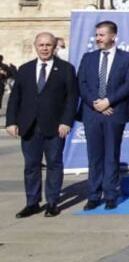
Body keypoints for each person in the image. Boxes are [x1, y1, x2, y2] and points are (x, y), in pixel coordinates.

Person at [6, 33, 78, 218]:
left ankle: (52, 202)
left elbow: (71, 98)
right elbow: (15, 98)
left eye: (48, 45)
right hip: (29, 127)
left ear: (54, 47)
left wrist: (66, 121)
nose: (45, 48)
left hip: (55, 127)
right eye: (41, 45)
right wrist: (11, 122)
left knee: (54, 164)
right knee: (31, 166)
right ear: (35, 46)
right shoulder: (25, 69)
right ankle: (32, 202)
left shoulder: (66, 69)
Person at [78, 20, 129, 211]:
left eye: (101, 35)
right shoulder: (88, 57)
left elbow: (128, 84)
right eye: (96, 35)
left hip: (114, 112)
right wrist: (96, 102)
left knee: (111, 154)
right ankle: (94, 195)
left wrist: (108, 101)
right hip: (92, 112)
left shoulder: (126, 58)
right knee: (94, 155)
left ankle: (111, 194)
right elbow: (82, 83)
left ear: (113, 36)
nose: (98, 39)